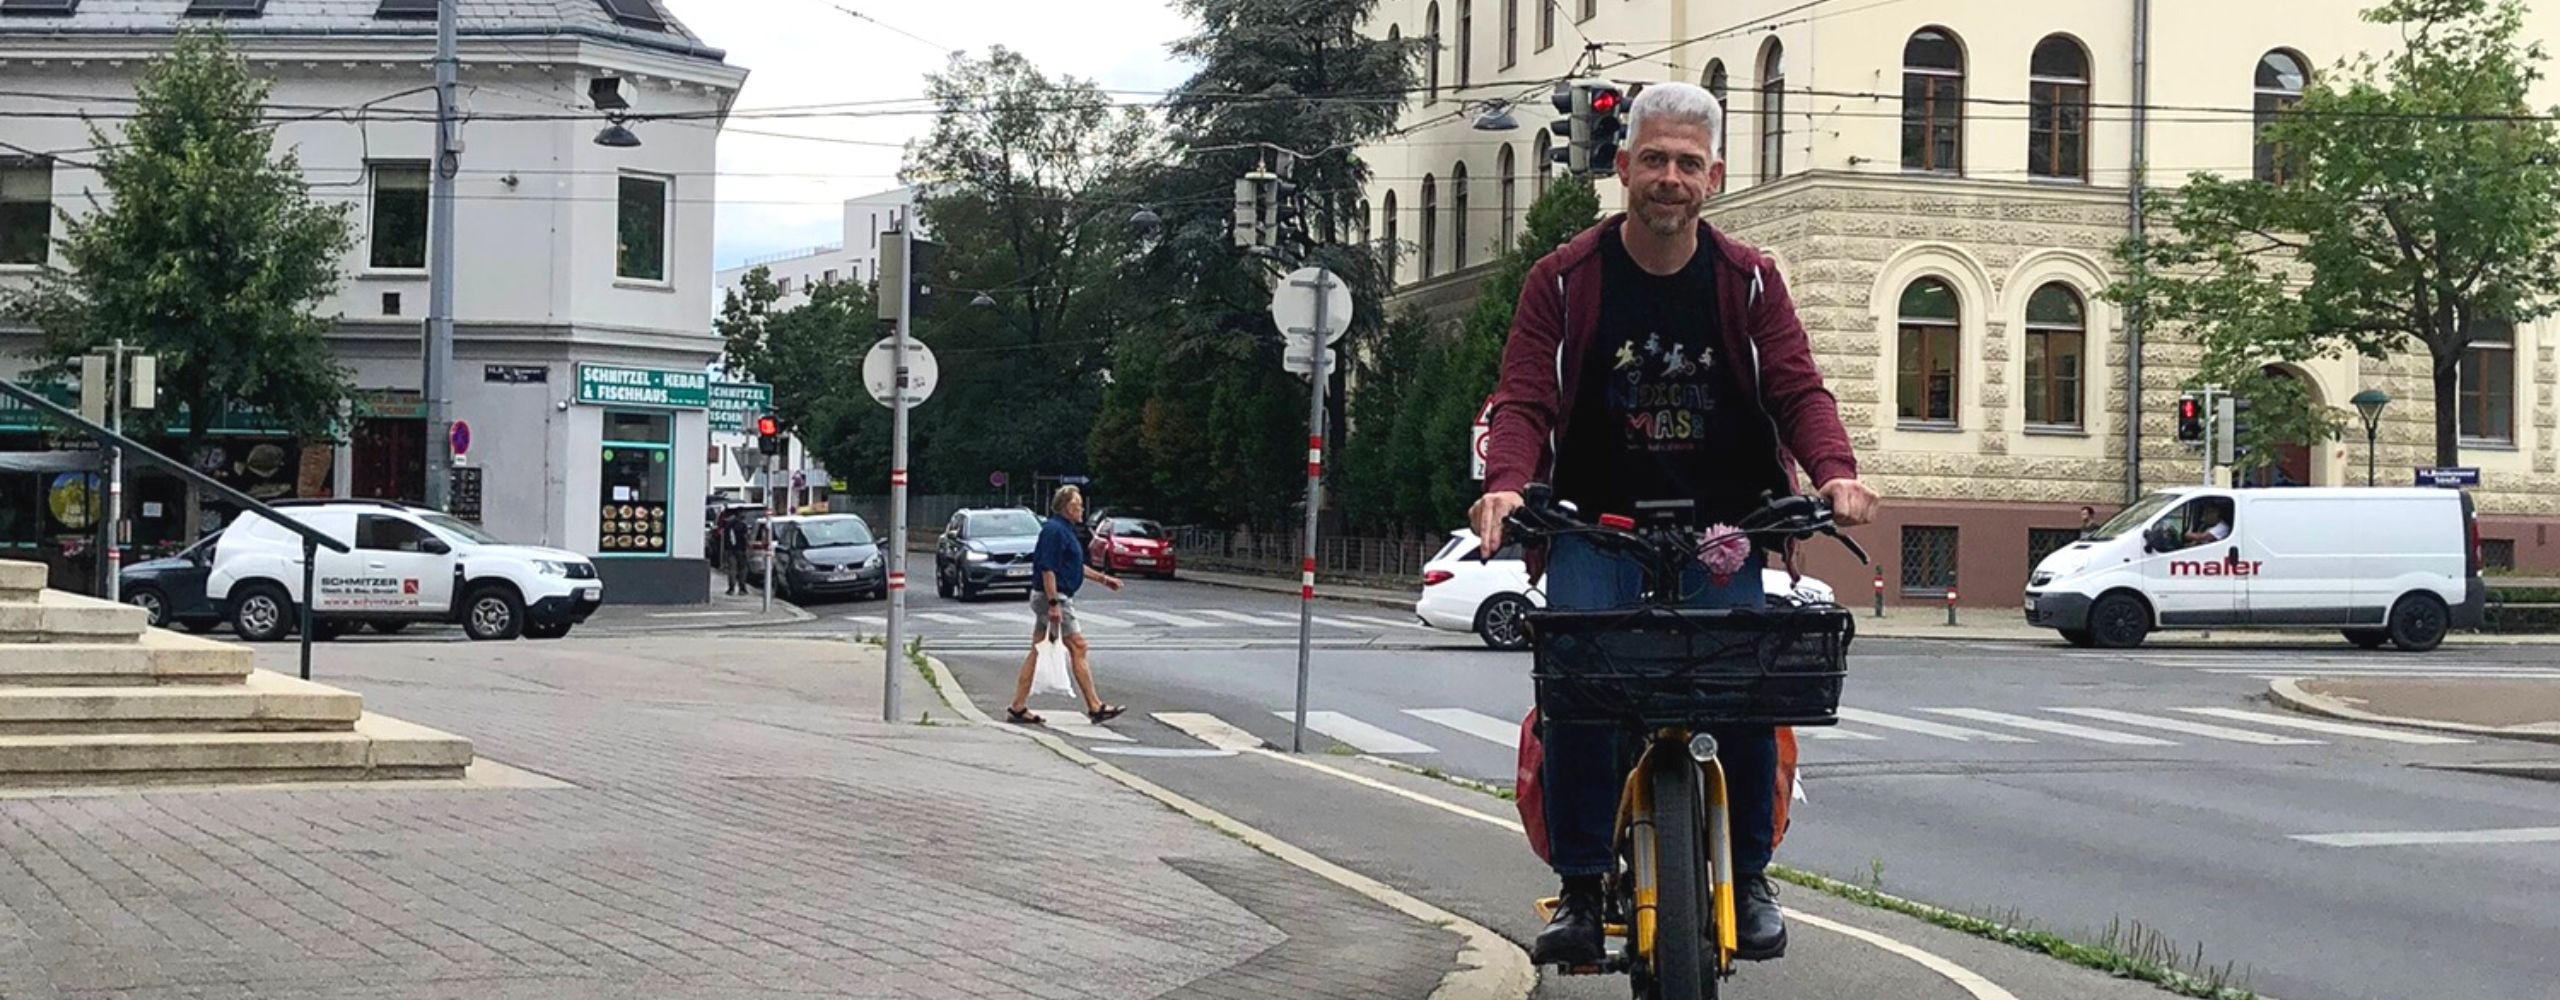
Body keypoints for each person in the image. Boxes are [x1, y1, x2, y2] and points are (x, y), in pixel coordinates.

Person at [1468, 82, 1879, 968]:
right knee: (1577, 693)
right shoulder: (1566, 280)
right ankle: (1581, 888)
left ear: (1714, 177)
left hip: (1724, 529)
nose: (1668, 177)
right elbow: (1525, 396)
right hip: (1594, 527)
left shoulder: (1749, 280)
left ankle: (1752, 874)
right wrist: (1507, 486)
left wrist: (1835, 472)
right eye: (1652, 158)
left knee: (1745, 690)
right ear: (1622, 168)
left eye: (1687, 163)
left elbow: (1798, 389)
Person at [1005, 486, 1129, 726]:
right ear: (1066, 506)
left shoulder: (1064, 530)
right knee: (1079, 646)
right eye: (1078, 504)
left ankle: (1017, 707)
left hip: (1052, 597)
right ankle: (1095, 706)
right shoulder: (1054, 531)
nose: (1082, 509)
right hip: (1054, 597)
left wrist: (1105, 580)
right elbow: (1048, 568)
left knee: (1038, 650)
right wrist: (1053, 604)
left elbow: (1073, 566)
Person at [719, 510, 753, 596]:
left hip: (730, 549)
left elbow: (724, 538)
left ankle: (731, 588)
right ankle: (742, 588)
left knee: (732, 569)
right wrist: (748, 547)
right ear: (740, 514)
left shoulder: (728, 525)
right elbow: (746, 537)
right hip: (741, 549)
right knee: (742, 569)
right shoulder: (743, 525)